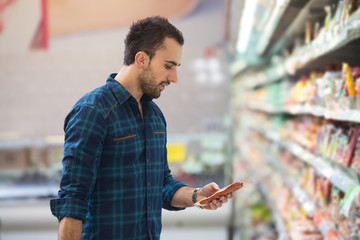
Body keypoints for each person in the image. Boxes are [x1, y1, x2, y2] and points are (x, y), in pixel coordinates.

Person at [50, 16, 233, 240]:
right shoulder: (94, 111)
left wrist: (196, 196)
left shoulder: (155, 117)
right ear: (141, 59)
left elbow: (161, 184)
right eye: (168, 66)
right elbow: (72, 199)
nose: (174, 78)